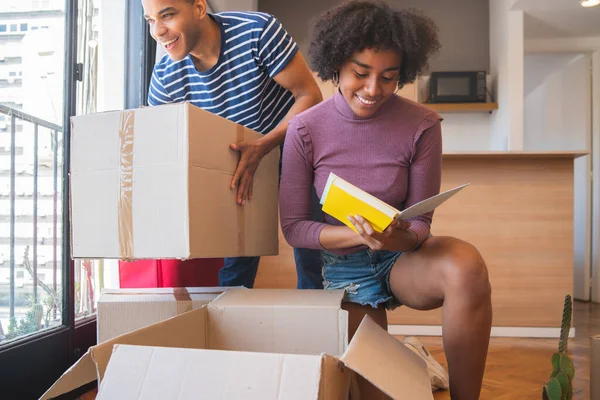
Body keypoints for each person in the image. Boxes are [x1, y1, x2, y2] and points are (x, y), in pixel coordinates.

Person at [279, 1, 492, 399]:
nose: (373, 89)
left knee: (468, 268)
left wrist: (397, 237)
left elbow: (421, 226)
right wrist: (358, 236)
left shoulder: (422, 125)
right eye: (360, 73)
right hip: (345, 270)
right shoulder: (305, 129)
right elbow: (294, 229)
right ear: (337, 63)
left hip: (402, 260)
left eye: (389, 77)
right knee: (374, 391)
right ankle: (411, 357)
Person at [130, 0, 324, 289]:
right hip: (238, 163)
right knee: (236, 268)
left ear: (198, 8)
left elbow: (309, 96)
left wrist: (264, 145)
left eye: (167, 15)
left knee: (310, 255)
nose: (158, 31)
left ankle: (318, 325)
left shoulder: (257, 32)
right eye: (149, 20)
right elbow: (168, 150)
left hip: (292, 145)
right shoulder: (165, 79)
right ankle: (228, 327)